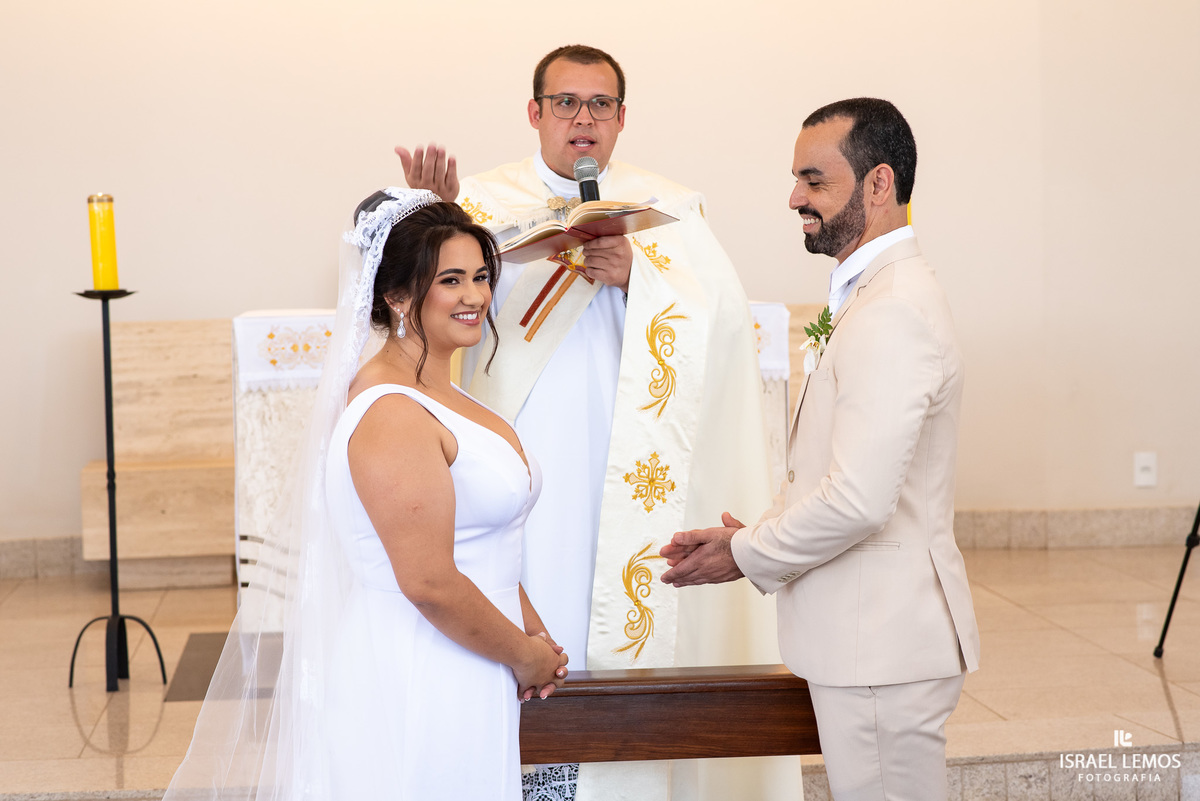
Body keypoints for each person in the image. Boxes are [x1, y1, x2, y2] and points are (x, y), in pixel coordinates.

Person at [398, 45, 778, 801]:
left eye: (600, 104)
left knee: (619, 618)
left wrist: (645, 274)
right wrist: (425, 218)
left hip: (635, 474)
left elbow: (728, 321)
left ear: (623, 118)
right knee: (535, 611)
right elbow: (419, 306)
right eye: (566, 103)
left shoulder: (672, 210)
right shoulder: (479, 205)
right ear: (535, 113)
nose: (584, 120)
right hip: (520, 467)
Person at [163, 188, 567, 801]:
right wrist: (524, 655)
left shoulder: (446, 393)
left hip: (473, 657)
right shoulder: (390, 413)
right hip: (421, 667)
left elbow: (490, 547)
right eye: (451, 280)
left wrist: (537, 642)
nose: (476, 298)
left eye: (482, 278)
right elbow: (429, 581)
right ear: (398, 296)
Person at [660, 98, 981, 801]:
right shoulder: (874, 294)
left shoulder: (892, 309)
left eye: (814, 180)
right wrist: (765, 532)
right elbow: (832, 473)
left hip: (883, 646)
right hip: (873, 639)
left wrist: (746, 553)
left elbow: (860, 499)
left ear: (878, 183)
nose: (794, 198)